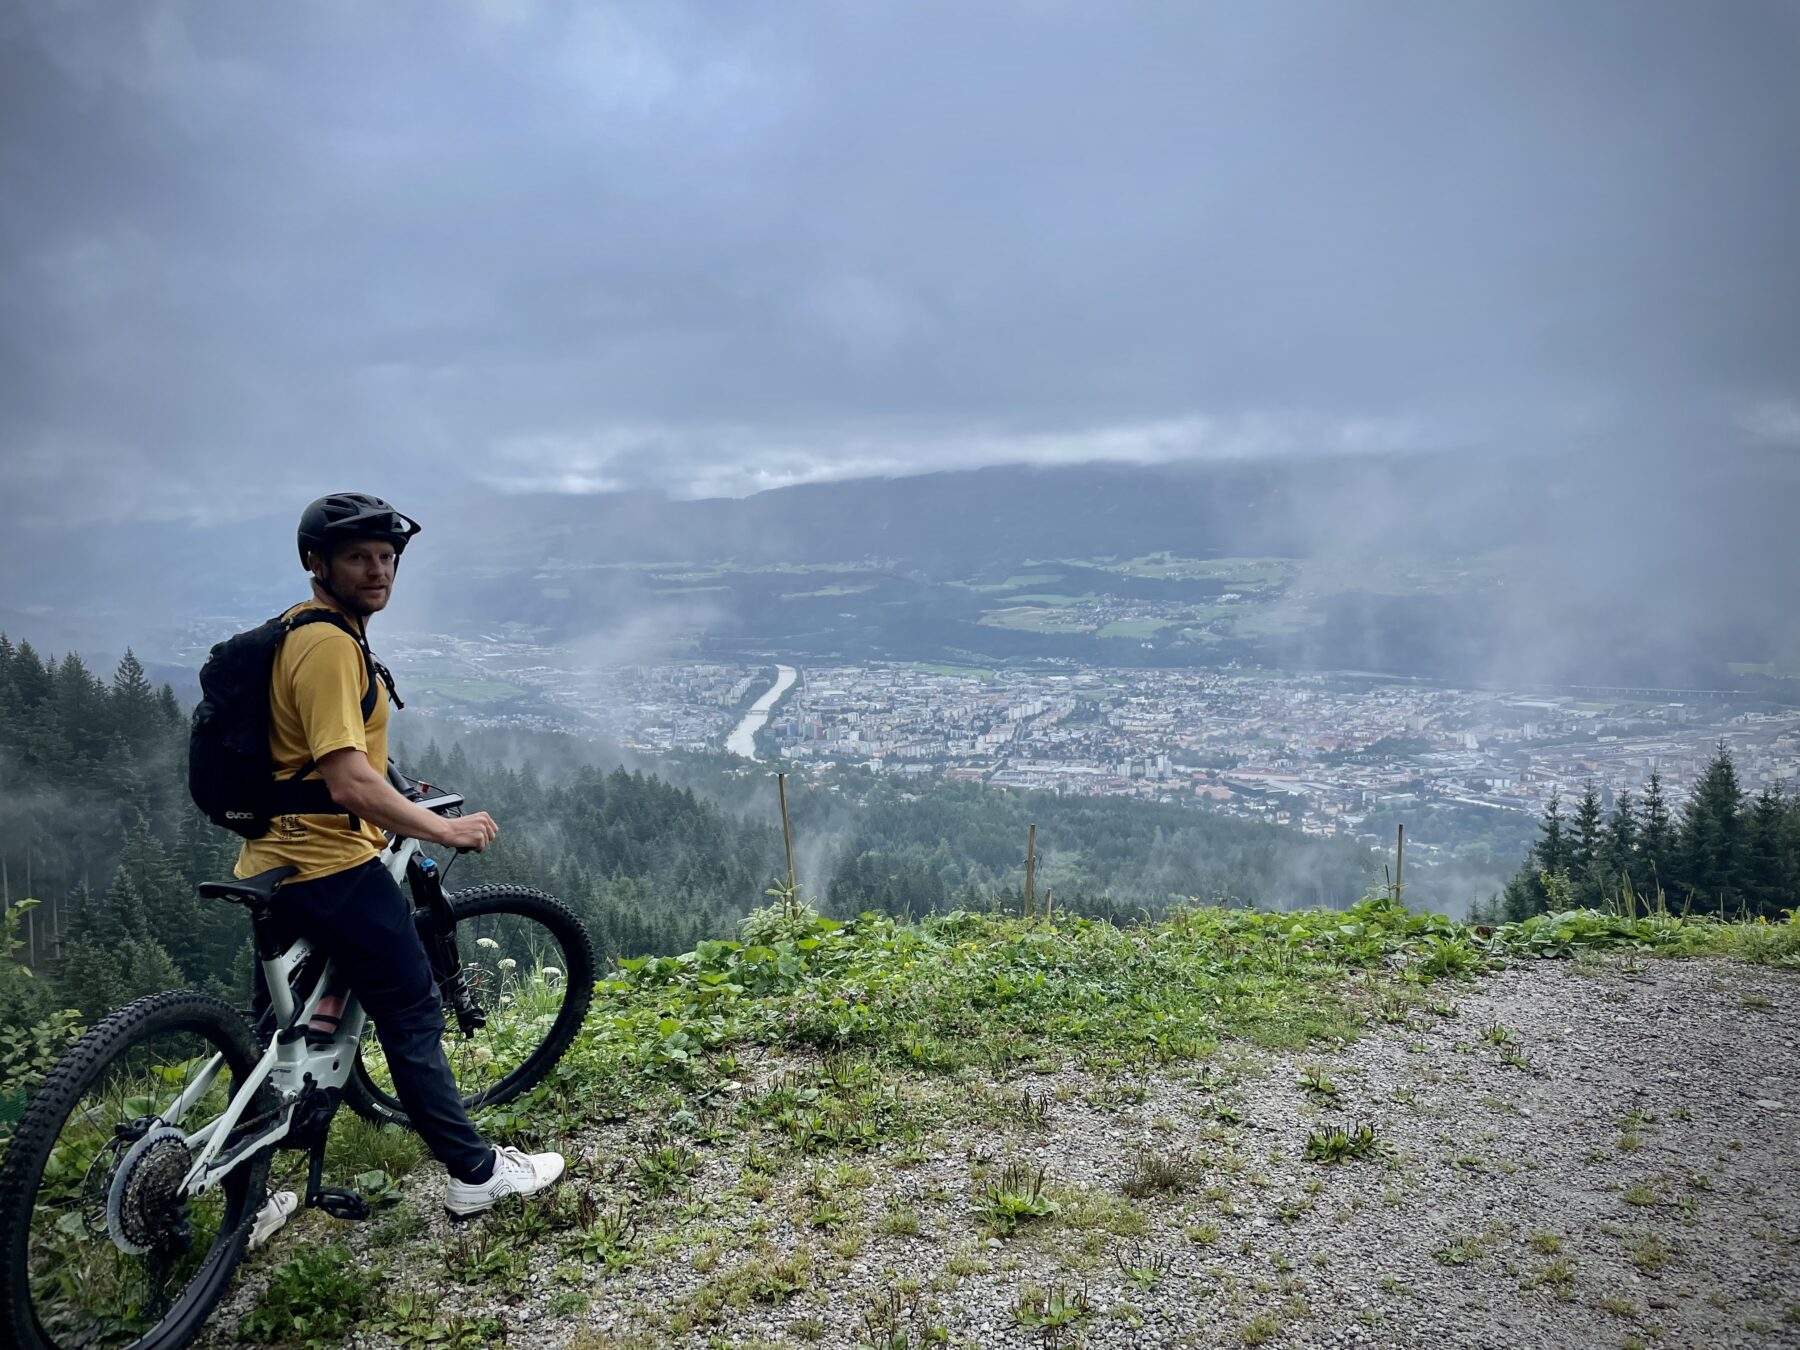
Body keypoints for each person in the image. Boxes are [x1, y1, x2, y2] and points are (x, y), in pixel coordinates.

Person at [243, 492, 563, 1237]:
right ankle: (476, 1175)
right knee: (413, 1016)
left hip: (271, 858)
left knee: (275, 1040)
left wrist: (394, 790)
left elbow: (328, 760)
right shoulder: (326, 645)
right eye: (359, 556)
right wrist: (439, 830)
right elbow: (347, 780)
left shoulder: (297, 631)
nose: (378, 570)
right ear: (316, 562)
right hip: (331, 868)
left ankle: (248, 1194)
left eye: (387, 557)